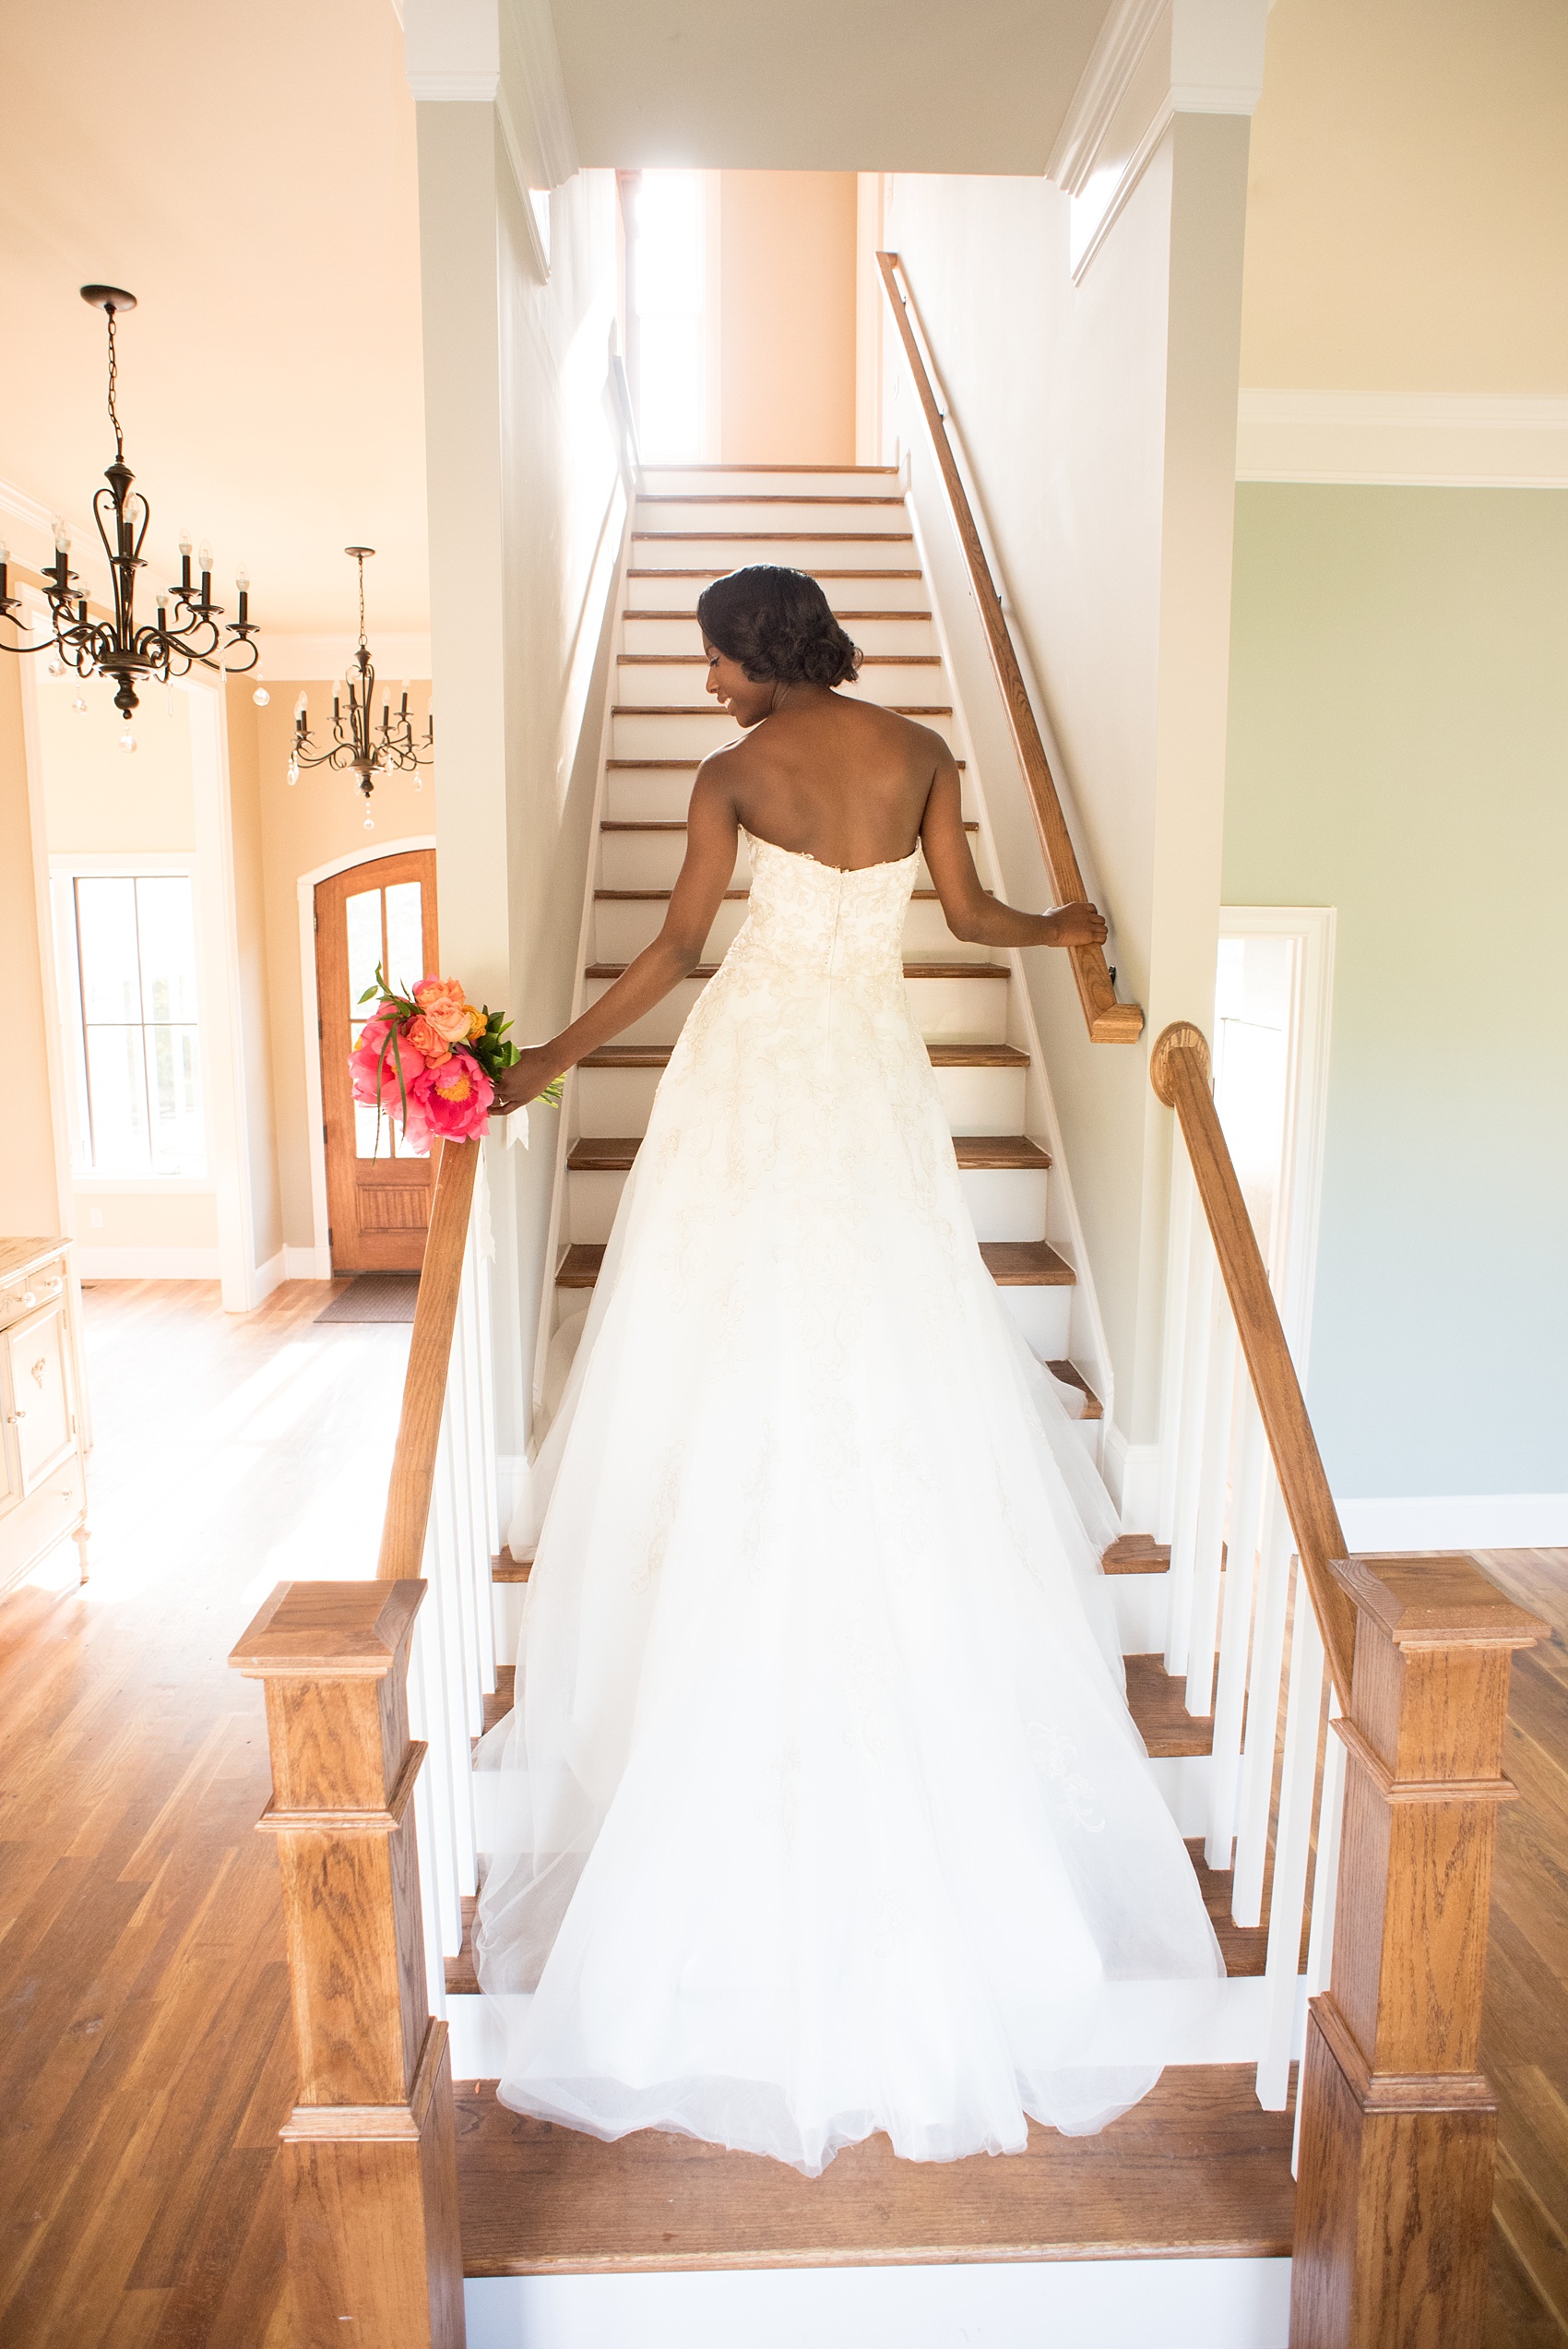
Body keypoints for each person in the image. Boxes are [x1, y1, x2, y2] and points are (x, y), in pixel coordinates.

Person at [475, 565, 1222, 2177]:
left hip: (755, 1066)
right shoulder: (920, 750)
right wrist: (1063, 926)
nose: (710, 686)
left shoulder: (734, 775)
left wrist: (538, 1063)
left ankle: (734, 1549)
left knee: (734, 1310)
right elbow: (968, 919)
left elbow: (680, 953)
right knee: (874, 1301)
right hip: (867, 1071)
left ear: (758, 650)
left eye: (715, 660)